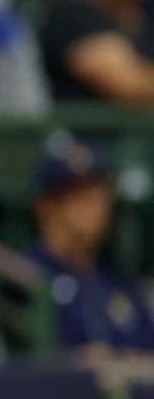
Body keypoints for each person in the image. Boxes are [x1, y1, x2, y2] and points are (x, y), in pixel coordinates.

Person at [25, 135, 154, 362]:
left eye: (100, 191)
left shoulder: (119, 282)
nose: (97, 205)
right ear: (46, 206)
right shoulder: (23, 274)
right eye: (80, 193)